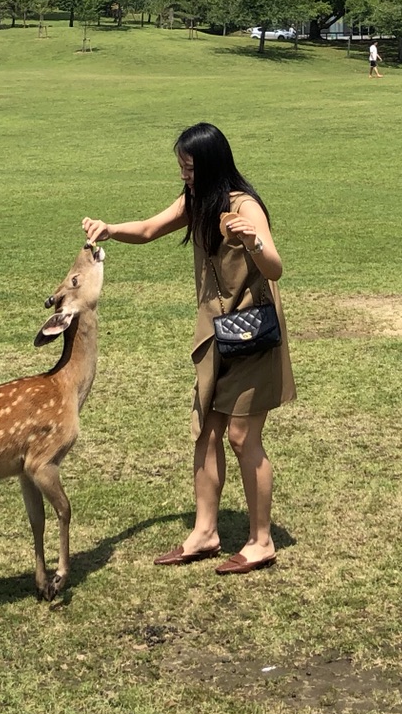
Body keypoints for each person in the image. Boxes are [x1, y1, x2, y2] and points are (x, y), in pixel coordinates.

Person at [82, 123, 293, 574]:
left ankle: (261, 541)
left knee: (242, 437)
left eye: (191, 168)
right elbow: (149, 229)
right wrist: (110, 228)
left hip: (253, 335)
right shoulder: (197, 202)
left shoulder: (244, 206)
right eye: (181, 167)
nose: (185, 175)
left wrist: (253, 239)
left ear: (213, 166)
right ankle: (205, 533)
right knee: (206, 432)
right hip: (216, 335)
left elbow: (274, 269)